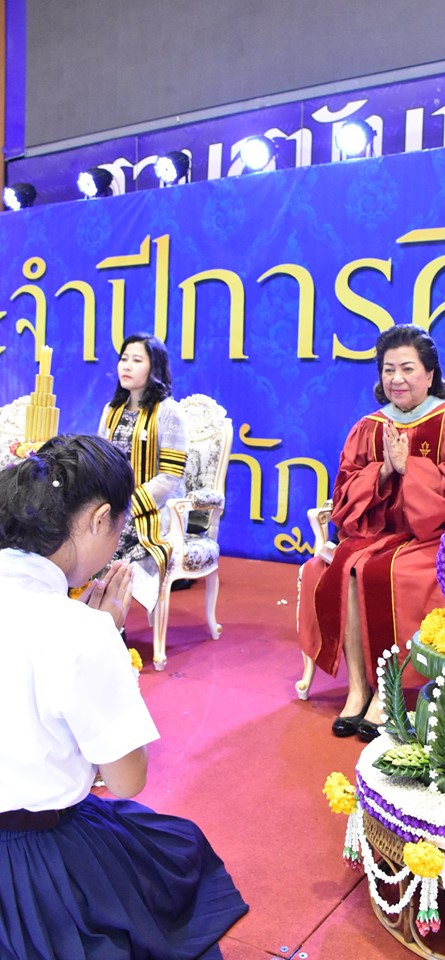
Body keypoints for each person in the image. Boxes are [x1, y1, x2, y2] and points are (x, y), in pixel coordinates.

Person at [0, 434, 247, 958]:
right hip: (29, 859)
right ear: (99, 519)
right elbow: (126, 780)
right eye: (120, 528)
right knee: (176, 855)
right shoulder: (80, 630)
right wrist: (106, 636)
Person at [297, 324, 445, 740]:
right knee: (344, 566)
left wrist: (410, 468)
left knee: (390, 572)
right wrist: (384, 470)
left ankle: (388, 691)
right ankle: (358, 689)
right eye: (388, 370)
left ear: (430, 373)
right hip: (376, 532)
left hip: (435, 536)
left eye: (407, 368)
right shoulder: (369, 426)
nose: (397, 379)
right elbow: (344, 491)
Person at [98, 332, 188, 609]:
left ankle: (112, 616)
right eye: (124, 359)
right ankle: (91, 614)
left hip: (152, 510)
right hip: (114, 502)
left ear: (154, 367)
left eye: (137, 360)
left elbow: (171, 477)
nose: (126, 366)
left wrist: (127, 503)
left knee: (106, 533)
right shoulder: (112, 410)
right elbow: (99, 462)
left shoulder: (169, 411)